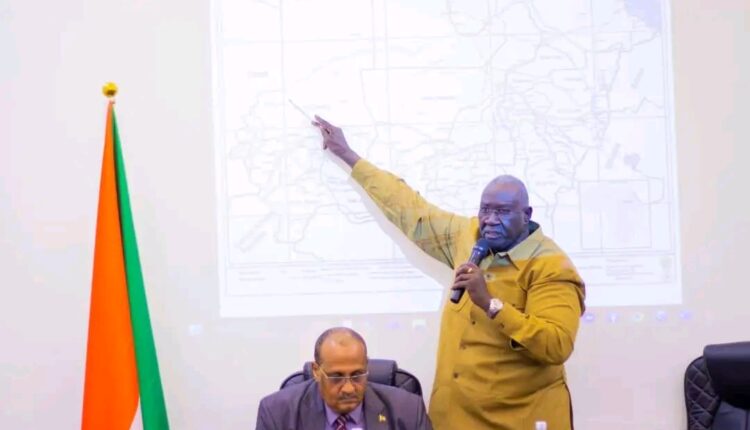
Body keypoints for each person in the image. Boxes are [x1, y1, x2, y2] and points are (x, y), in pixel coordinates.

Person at [311, 116, 587, 430]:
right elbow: (410, 209)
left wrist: (491, 304)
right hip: (456, 417)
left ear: (526, 215)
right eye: (485, 209)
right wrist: (349, 156)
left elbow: (556, 344)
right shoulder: (468, 236)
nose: (490, 220)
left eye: (502, 212)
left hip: (517, 418)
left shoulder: (551, 267)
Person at [256, 327, 432, 430]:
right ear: (316, 371)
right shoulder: (276, 413)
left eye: (357, 375)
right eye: (336, 377)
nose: (348, 388)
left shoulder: (408, 410)